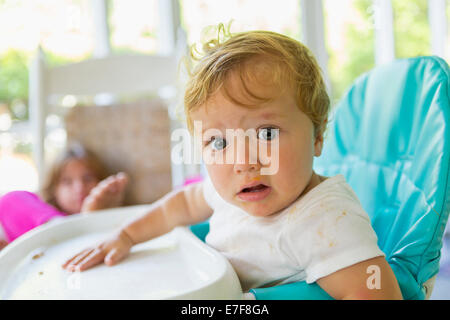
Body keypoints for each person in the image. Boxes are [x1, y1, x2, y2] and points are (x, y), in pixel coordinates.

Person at [63, 26, 402, 299]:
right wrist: (125, 237)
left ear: (317, 135)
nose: (242, 161)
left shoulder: (325, 221)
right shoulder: (237, 190)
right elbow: (177, 206)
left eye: (267, 133)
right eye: (220, 142)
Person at [0, 143, 128, 246]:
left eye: (88, 178)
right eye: (67, 182)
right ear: (54, 189)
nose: (79, 188)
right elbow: (7, 202)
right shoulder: (28, 203)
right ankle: (73, 226)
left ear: (100, 181)